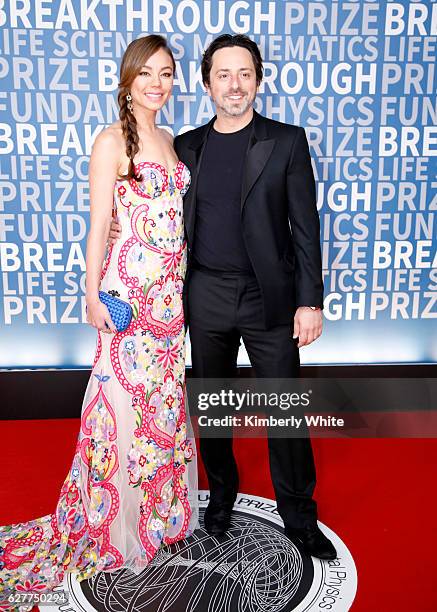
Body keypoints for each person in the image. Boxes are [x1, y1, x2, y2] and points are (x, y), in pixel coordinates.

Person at [110, 34, 336, 560]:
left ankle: (300, 518)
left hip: (268, 298)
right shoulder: (185, 146)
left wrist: (310, 301)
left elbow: (306, 227)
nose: (234, 85)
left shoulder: (286, 141)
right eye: (223, 75)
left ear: (258, 79)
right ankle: (220, 500)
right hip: (203, 293)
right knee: (211, 407)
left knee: (284, 410)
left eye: (244, 74)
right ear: (208, 84)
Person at [0, 35, 198, 604]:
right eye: (148, 74)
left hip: (168, 303)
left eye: (167, 74)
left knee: (160, 407)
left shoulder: (168, 141)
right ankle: (115, 525)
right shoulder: (111, 141)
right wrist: (91, 294)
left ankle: (157, 518)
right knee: (120, 411)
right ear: (127, 79)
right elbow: (98, 224)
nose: (158, 84)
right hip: (127, 299)